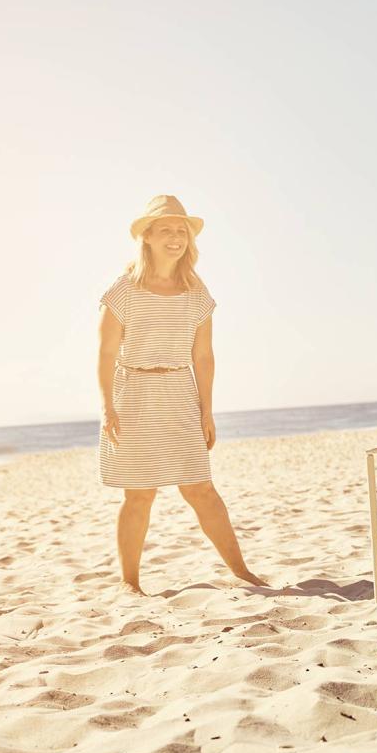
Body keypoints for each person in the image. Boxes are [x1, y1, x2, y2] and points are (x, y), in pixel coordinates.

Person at [98, 195, 266, 595]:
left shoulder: (196, 291)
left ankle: (242, 572)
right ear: (149, 238)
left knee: (200, 488)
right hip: (133, 393)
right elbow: (105, 353)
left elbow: (204, 355)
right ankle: (130, 583)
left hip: (179, 391)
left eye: (181, 231)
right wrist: (107, 407)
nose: (175, 238)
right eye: (166, 230)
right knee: (139, 494)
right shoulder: (123, 290)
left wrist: (207, 411)